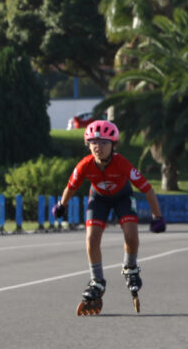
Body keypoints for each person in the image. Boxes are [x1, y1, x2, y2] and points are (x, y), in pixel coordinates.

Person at [52, 120, 166, 315]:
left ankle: (130, 266)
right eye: (93, 142)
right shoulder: (85, 165)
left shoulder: (121, 163)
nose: (98, 147)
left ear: (113, 145)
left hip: (122, 197)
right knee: (91, 238)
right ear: (88, 145)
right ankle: (97, 280)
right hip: (99, 200)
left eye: (104, 142)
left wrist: (157, 216)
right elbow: (70, 187)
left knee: (131, 234)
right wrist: (62, 205)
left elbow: (147, 189)